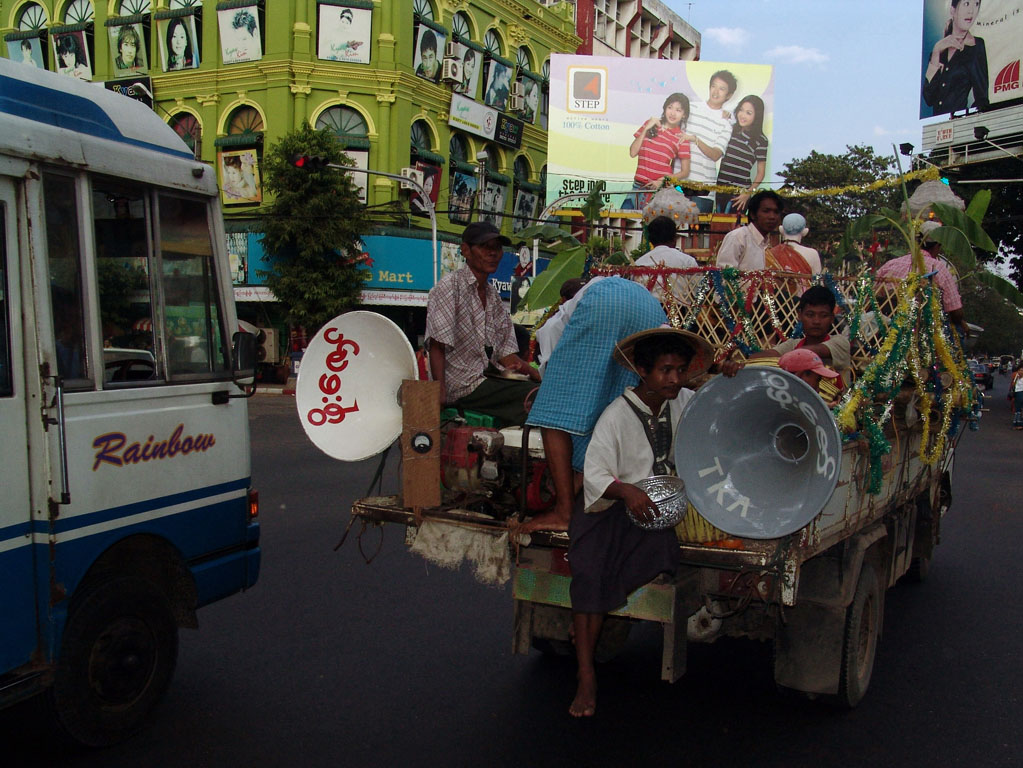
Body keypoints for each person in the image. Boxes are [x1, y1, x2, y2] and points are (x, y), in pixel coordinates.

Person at [568, 326, 713, 717]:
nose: (675, 379)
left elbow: (716, 409)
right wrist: (628, 492)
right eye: (665, 370)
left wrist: (730, 373)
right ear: (643, 372)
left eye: (680, 370)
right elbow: (596, 475)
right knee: (591, 575)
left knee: (661, 552)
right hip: (609, 510)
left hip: (652, 512)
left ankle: (591, 624)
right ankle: (586, 676)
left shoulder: (683, 401)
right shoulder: (616, 416)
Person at [518, 277, 666, 533]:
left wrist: (547, 397)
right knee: (618, 405)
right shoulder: (609, 290)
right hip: (651, 308)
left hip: (607, 303)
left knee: (552, 414)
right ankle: (588, 498)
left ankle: (563, 512)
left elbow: (555, 382)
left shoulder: (554, 323)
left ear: (564, 302)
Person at [425, 221, 539, 425]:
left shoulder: (493, 295)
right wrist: (439, 392)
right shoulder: (449, 287)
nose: (492, 253)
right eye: (485, 247)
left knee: (544, 392)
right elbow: (437, 345)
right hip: (462, 386)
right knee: (534, 398)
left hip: (488, 380)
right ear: (466, 250)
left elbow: (507, 356)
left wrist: (535, 373)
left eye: (497, 248)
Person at [723, 285, 852, 386]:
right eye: (810, 315)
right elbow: (767, 355)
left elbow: (806, 354)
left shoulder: (840, 342)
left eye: (823, 316)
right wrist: (742, 364)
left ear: (831, 318)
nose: (816, 321)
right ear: (800, 315)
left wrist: (760, 363)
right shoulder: (793, 344)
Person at [876, 220, 967, 336]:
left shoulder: (891, 264)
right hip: (919, 331)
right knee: (958, 331)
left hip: (884, 326)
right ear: (937, 246)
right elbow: (956, 312)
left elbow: (873, 295)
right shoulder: (939, 268)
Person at [625, 93, 691, 209]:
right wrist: (646, 128)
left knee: (651, 226)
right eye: (670, 107)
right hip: (637, 187)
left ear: (684, 115)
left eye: (678, 110)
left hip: (658, 191)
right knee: (624, 222)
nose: (673, 113)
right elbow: (632, 152)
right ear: (665, 108)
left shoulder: (681, 137)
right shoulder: (650, 125)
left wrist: (664, 181)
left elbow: (685, 171)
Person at [923, 0, 988, 115]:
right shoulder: (939, 50)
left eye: (976, 4)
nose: (971, 11)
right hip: (938, 127)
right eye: (966, 4)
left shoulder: (976, 46)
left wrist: (967, 121)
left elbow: (982, 99)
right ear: (953, 10)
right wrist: (936, 50)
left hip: (960, 125)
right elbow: (928, 98)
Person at [685, 70, 736, 213]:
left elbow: (715, 154)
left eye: (722, 88)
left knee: (697, 233)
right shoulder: (690, 108)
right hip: (678, 185)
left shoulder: (726, 122)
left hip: (704, 190)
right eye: (714, 86)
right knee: (671, 229)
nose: (716, 91)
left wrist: (696, 140)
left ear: (729, 95)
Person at [715, 95, 769, 213]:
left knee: (733, 228)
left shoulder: (761, 140)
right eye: (741, 110)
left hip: (739, 194)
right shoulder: (731, 129)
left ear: (757, 116)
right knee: (717, 226)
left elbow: (761, 172)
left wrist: (747, 193)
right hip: (720, 188)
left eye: (749, 113)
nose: (743, 115)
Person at [633, 215, 698, 302]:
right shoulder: (687, 261)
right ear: (674, 238)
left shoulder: (639, 263)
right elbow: (698, 290)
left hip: (648, 311)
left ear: (651, 240)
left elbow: (635, 293)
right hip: (680, 312)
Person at [715, 189, 783, 270]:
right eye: (766, 211)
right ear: (753, 214)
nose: (772, 216)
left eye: (776, 212)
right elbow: (724, 276)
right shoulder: (738, 237)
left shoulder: (766, 244)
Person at [1011, 362, 1023, 430]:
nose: (1020, 372)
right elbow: (1013, 385)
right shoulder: (1016, 377)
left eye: (1022, 371)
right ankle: (1016, 424)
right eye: (1020, 370)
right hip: (1017, 393)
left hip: (1021, 393)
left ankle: (1020, 424)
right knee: (1017, 409)